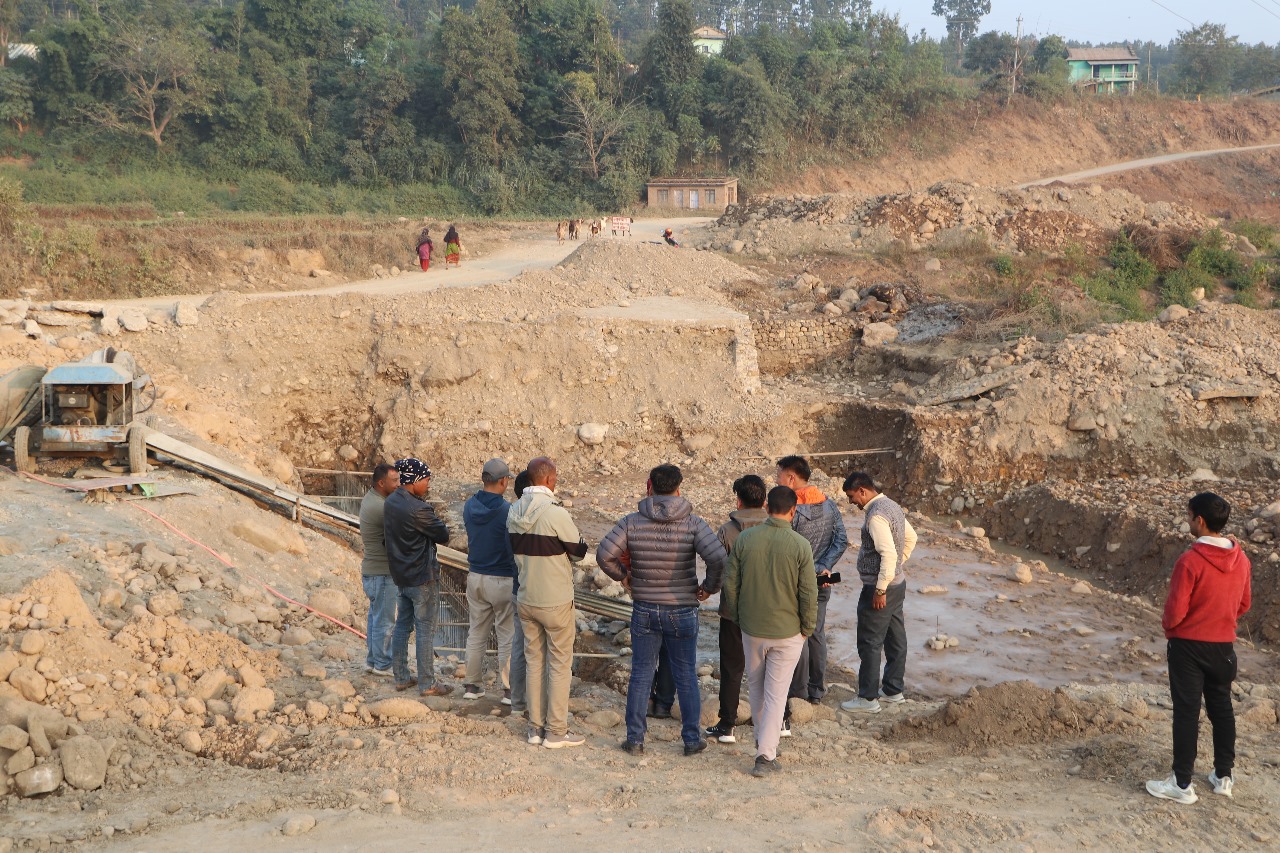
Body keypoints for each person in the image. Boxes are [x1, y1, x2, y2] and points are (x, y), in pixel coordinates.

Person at [597, 464, 727, 756]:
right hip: (682, 609)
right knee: (685, 675)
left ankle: (635, 739)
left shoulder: (631, 521)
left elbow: (604, 554)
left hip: (644, 607)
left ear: (649, 486)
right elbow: (718, 558)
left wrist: (623, 576)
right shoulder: (693, 523)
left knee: (641, 673)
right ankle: (692, 740)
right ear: (679, 488)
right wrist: (709, 587)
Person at [1146, 492, 1252, 805]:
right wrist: (1222, 620)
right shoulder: (1241, 558)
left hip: (1188, 647)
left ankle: (1181, 784)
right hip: (1223, 647)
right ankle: (1223, 776)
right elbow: (1244, 603)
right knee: (1222, 709)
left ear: (1200, 521)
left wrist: (1170, 629)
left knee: (1187, 712)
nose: (1188, 520)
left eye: (1189, 515)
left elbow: (1176, 610)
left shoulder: (1190, 561)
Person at [722, 486, 818, 778]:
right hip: (788, 632)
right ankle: (765, 755)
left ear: (766, 506)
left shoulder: (746, 539)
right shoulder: (800, 545)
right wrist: (807, 628)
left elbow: (730, 583)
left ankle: (763, 743)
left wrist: (739, 616)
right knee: (776, 694)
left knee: (756, 687)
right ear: (793, 511)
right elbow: (808, 593)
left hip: (752, 628)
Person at [508, 457, 588, 748]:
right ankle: (556, 731)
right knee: (559, 665)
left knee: (534, 662)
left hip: (526, 597)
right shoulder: (556, 513)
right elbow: (578, 550)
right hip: (555, 599)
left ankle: (535, 728)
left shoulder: (514, 509)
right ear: (550, 480)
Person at [775, 455, 848, 717]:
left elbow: (784, 543)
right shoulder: (829, 505)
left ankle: (799, 691)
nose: (777, 480)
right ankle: (817, 690)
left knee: (799, 634)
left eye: (779, 475)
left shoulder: (791, 509)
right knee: (817, 633)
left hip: (796, 581)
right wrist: (825, 565)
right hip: (824, 578)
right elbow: (841, 539)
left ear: (791, 478)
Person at [840, 472, 917, 714]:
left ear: (862, 490)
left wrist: (881, 588)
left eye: (852, 497)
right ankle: (893, 691)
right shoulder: (892, 505)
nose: (852, 502)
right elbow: (911, 538)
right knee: (896, 638)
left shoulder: (875, 516)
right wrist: (896, 570)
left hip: (880, 589)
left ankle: (868, 698)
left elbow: (888, 553)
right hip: (897, 584)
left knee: (869, 642)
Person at [705, 474, 770, 745]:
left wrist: (707, 590)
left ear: (738, 500)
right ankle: (781, 719)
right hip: (770, 611)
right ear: (764, 500)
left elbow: (718, 569)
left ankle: (727, 724)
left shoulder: (727, 531)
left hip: (733, 612)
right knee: (771, 667)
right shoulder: (778, 530)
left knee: (732, 667)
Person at [383, 458, 451, 697]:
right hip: (421, 576)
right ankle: (427, 683)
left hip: (401, 574)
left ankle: (401, 677)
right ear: (414, 480)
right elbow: (443, 534)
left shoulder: (391, 501)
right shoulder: (418, 509)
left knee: (402, 625)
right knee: (425, 629)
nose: (428, 485)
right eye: (427, 480)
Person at [461, 459, 517, 702]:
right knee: (506, 635)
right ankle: (509, 690)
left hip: (475, 577)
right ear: (503, 481)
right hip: (502, 579)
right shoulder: (507, 511)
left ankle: (472, 687)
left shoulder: (468, 506)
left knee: (476, 633)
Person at [359, 463, 401, 676]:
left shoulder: (373, 498)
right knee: (384, 621)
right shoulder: (381, 507)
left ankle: (373, 660)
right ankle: (383, 664)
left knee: (375, 617)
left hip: (372, 570)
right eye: (394, 481)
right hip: (382, 572)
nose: (399, 484)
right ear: (381, 482)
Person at [508, 469, 532, 715]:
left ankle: (517, 703)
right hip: (538, 593)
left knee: (519, 645)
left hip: (517, 589)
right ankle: (537, 707)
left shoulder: (511, 513)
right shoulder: (544, 515)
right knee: (538, 651)